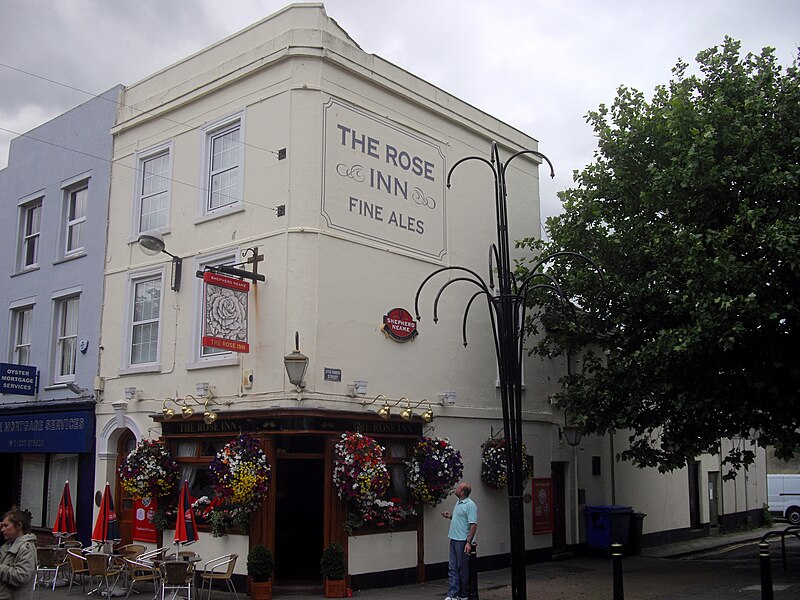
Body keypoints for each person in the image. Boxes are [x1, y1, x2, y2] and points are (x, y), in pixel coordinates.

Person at [441, 482, 477, 600]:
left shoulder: (470, 505)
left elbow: (473, 525)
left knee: (462, 568)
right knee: (453, 567)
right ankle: (453, 594)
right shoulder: (459, 502)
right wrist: (451, 516)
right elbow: (462, 519)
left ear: (462, 492)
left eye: (458, 488)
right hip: (454, 538)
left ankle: (463, 594)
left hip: (462, 540)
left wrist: (468, 542)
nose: (455, 489)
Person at [0, 508, 37, 600]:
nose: (2, 529)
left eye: (6, 526)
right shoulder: (6, 546)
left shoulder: (26, 548)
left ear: (18, 526)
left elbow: (22, 576)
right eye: (2, 526)